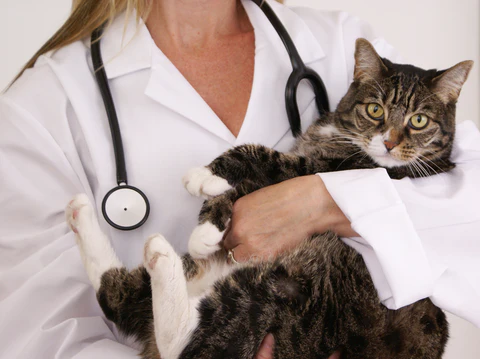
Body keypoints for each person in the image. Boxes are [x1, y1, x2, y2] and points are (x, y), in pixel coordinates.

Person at [1, 0, 479, 358]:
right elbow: (39, 334)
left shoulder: (334, 44)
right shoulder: (41, 106)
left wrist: (324, 201)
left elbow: (469, 205)